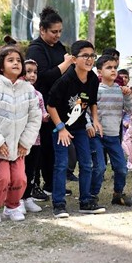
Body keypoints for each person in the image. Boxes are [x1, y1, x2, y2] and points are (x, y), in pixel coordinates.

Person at [0, 46, 42, 223]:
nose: (15, 63)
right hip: (0, 147)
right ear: (0, 65)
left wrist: (25, 142)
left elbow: (35, 117)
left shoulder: (28, 89)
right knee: (2, 178)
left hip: (19, 147)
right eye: (10, 60)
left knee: (20, 178)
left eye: (18, 60)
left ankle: (12, 207)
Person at [47, 40, 105, 218]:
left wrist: (95, 120)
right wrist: (61, 128)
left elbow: (92, 102)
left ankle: (86, 201)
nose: (89, 59)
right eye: (85, 56)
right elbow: (50, 106)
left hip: (80, 127)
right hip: (60, 127)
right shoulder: (65, 80)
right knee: (62, 164)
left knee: (87, 163)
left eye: (92, 56)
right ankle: (59, 204)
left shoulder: (93, 78)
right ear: (74, 59)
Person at [25, 7, 74, 200]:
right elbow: (42, 77)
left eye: (60, 31)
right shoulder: (36, 49)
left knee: (56, 146)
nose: (57, 35)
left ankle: (52, 183)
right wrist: (65, 65)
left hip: (59, 102)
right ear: (42, 30)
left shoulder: (60, 47)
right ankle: (34, 184)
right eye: (54, 32)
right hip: (40, 104)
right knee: (40, 147)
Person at [89, 55, 132, 206]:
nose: (113, 70)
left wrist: (128, 96)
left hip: (114, 136)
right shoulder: (94, 89)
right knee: (99, 167)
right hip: (97, 136)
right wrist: (89, 126)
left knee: (121, 167)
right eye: (109, 67)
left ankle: (118, 194)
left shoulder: (120, 90)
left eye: (115, 67)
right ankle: (92, 195)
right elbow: (86, 112)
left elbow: (130, 110)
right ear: (99, 72)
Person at [20, 59, 49, 213]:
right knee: (19, 170)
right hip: (19, 139)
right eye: (28, 71)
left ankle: (28, 197)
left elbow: (42, 113)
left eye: (35, 72)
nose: (32, 75)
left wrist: (48, 116)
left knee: (32, 169)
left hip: (35, 139)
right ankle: (17, 199)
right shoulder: (17, 92)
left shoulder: (38, 94)